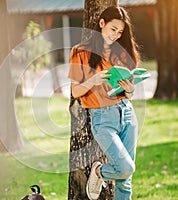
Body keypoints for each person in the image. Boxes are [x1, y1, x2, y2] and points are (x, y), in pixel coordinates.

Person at [68, 6, 140, 200]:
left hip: (126, 113)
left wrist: (130, 89)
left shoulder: (122, 53)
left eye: (120, 32)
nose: (116, 35)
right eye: (112, 29)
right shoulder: (80, 51)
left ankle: (103, 174)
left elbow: (129, 93)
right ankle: (99, 172)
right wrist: (94, 80)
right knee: (125, 168)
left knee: (125, 180)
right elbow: (76, 91)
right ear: (102, 24)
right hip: (102, 117)